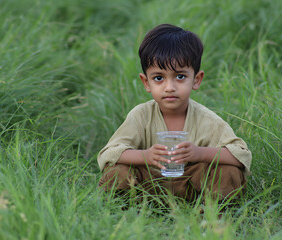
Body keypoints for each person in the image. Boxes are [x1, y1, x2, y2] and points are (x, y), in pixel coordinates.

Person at [97, 24, 252, 204]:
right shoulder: (141, 115)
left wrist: (199, 153)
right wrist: (145, 156)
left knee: (228, 172)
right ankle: (126, 213)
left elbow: (242, 156)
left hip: (192, 188)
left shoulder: (207, 119)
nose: (169, 87)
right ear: (146, 82)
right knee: (116, 171)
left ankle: (211, 216)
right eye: (158, 78)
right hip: (149, 187)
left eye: (180, 76)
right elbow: (109, 154)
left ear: (196, 80)